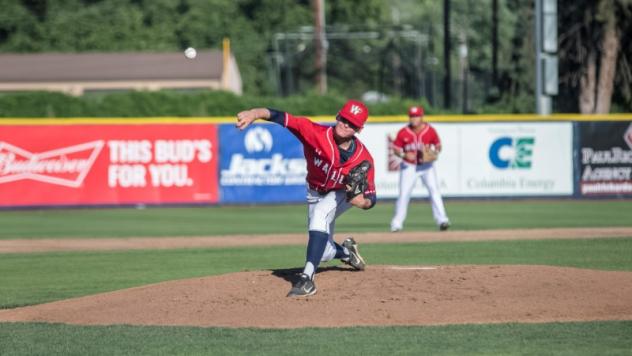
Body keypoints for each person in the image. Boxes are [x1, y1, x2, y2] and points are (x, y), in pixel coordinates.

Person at [236, 100, 377, 297]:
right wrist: (255, 113)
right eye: (344, 119)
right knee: (325, 251)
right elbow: (283, 118)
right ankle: (347, 253)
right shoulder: (314, 133)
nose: (346, 124)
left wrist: (362, 202)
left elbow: (371, 197)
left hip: (341, 194)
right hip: (314, 192)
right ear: (338, 116)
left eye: (352, 123)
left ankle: (307, 279)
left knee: (321, 214)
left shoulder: (363, 159)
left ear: (359, 129)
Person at [390, 105, 450, 232]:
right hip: (409, 166)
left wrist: (433, 152)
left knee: (434, 191)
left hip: (426, 166)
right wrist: (404, 154)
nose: (414, 119)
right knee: (404, 194)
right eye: (412, 116)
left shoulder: (430, 130)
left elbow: (438, 146)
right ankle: (396, 224)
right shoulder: (404, 132)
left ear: (421, 117)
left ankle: (442, 220)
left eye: (416, 116)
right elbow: (395, 149)